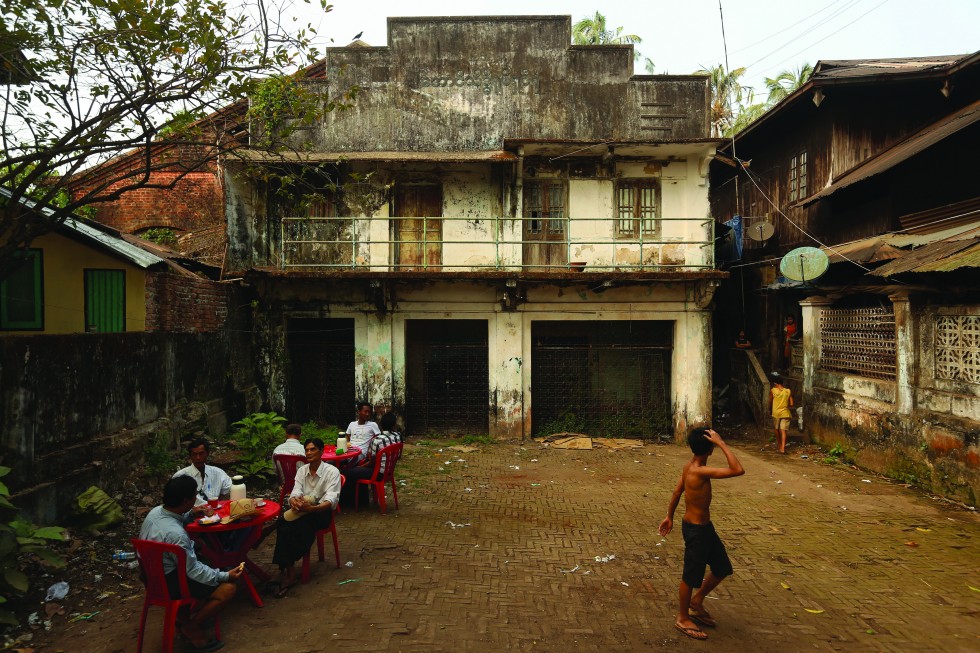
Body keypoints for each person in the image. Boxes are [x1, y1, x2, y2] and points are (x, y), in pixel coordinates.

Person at [139, 475, 243, 652]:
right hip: (170, 582)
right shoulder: (176, 535)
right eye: (194, 495)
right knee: (228, 588)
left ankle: (183, 619)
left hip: (150, 577)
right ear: (186, 499)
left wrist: (191, 514)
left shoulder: (155, 513)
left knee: (204, 562)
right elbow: (193, 570)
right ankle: (192, 626)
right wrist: (225, 575)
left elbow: (174, 522)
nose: (196, 498)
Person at [658, 427, 744, 641]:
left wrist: (669, 516)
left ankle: (697, 602)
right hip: (696, 531)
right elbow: (738, 469)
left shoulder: (689, 467)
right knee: (690, 576)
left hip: (705, 529)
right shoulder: (698, 470)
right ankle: (682, 617)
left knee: (722, 568)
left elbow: (677, 491)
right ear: (710, 449)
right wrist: (721, 442)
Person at [270, 438, 341, 597]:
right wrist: (294, 501)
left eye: (313, 449)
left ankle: (288, 570)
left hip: (321, 512)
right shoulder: (302, 471)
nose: (308, 453)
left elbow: (331, 500)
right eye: (307, 450)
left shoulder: (332, 472)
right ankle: (287, 568)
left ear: (321, 451)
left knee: (296, 526)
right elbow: (295, 491)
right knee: (283, 522)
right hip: (303, 509)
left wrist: (313, 508)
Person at [340, 412, 403, 507]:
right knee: (356, 469)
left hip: (377, 474)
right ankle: (361, 500)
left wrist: (360, 466)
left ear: (381, 425)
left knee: (346, 472)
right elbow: (399, 455)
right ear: (394, 425)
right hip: (388, 471)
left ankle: (351, 502)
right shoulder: (398, 436)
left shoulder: (377, 440)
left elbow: (372, 462)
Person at [173, 438, 232, 508]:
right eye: (194, 454)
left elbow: (229, 491)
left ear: (207, 454)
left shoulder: (218, 473)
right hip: (191, 516)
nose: (198, 458)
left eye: (201, 454)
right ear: (190, 456)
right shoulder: (180, 476)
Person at [769, 372, 794, 454]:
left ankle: (779, 444)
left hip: (776, 413)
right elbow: (791, 403)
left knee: (776, 429)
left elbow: (770, 401)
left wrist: (770, 409)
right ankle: (782, 448)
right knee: (783, 430)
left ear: (775, 383)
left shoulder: (773, 390)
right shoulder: (788, 391)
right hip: (785, 413)